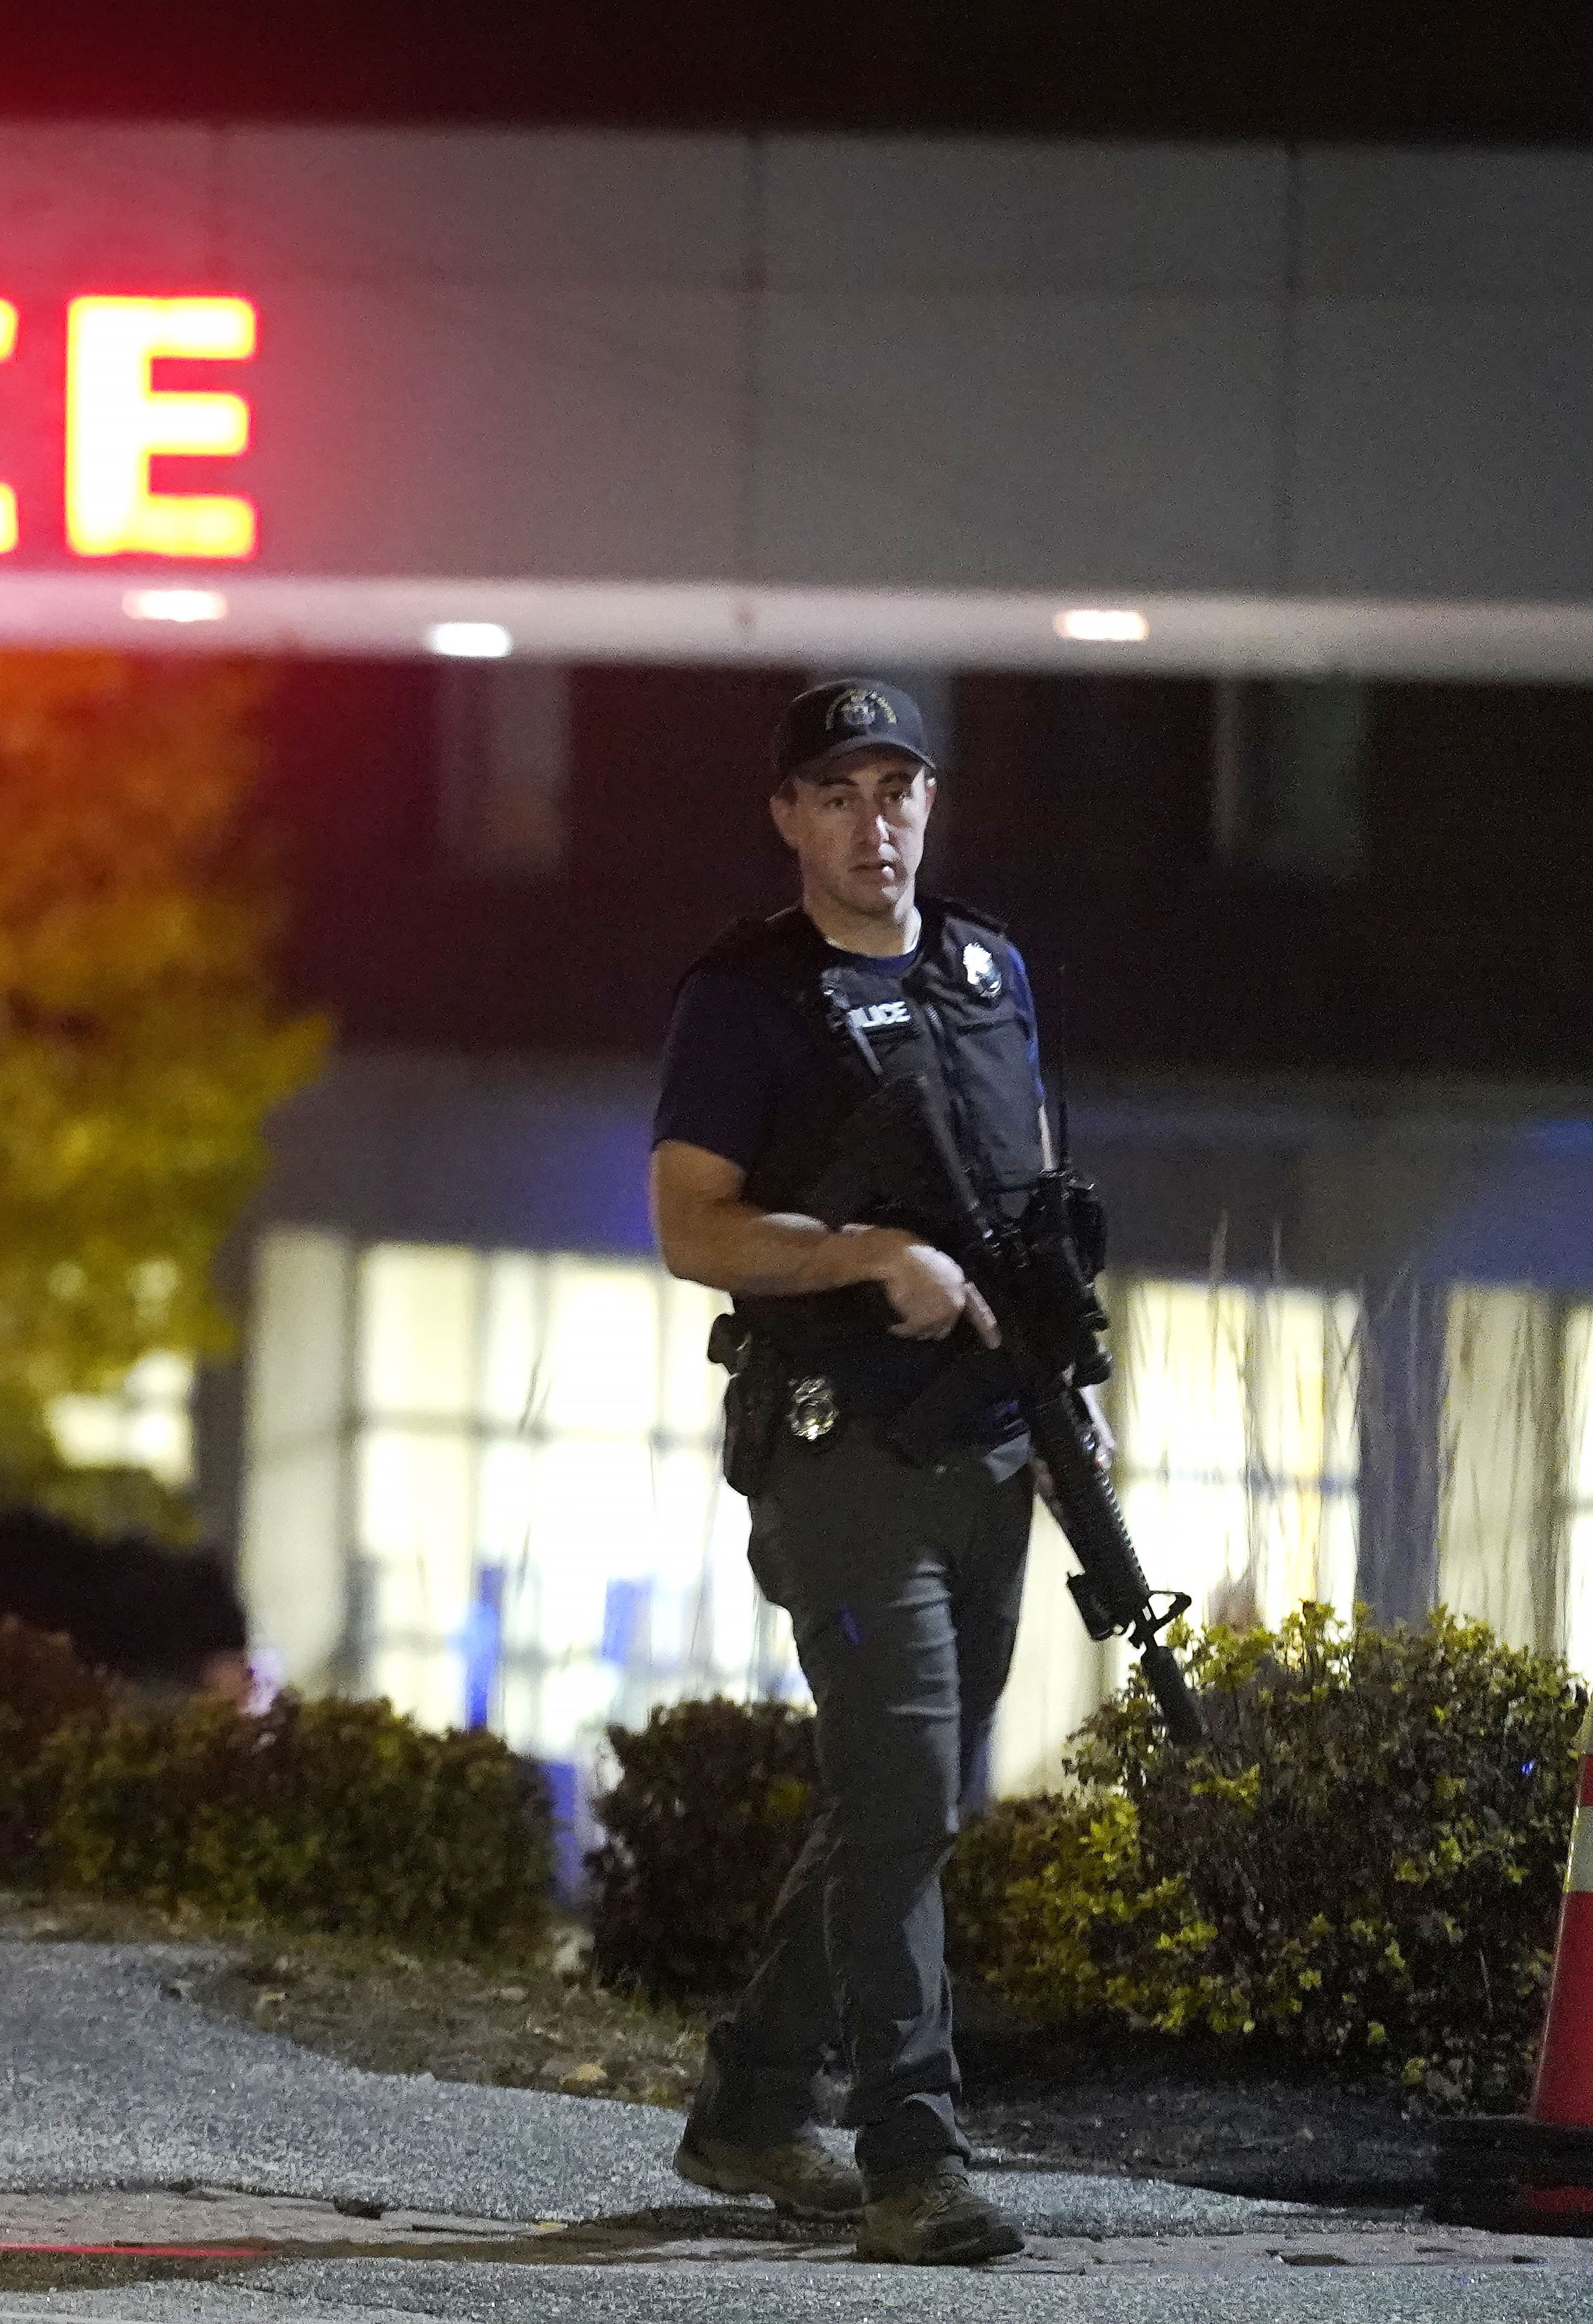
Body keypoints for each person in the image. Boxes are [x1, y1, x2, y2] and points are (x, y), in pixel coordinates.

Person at [645, 677, 1049, 2269]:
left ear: (930, 800)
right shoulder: (748, 995)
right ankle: (913, 2154)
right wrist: (871, 1252)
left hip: (994, 1437)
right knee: (899, 1784)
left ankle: (750, 2105)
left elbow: (1025, 1195)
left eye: (898, 788)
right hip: (837, 1448)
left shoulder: (989, 969)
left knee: (912, 1797)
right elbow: (693, 1226)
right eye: (837, 792)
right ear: (788, 816)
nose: (873, 822)